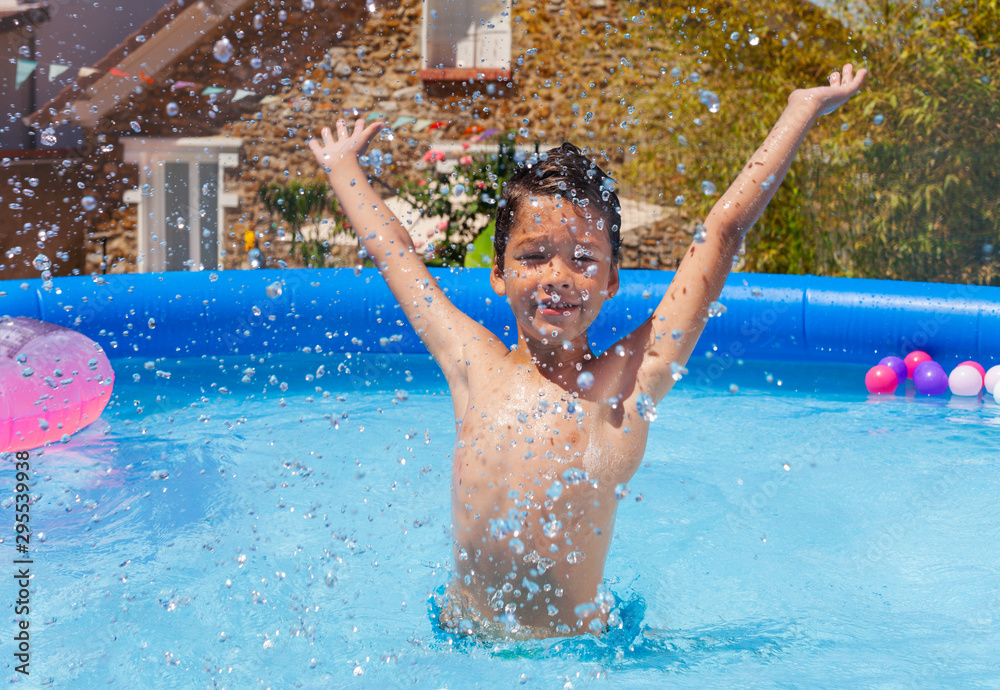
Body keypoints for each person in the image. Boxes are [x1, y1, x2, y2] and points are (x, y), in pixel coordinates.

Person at [308, 64, 867, 640]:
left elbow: (722, 231)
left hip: (573, 660)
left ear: (611, 280)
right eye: (533, 255)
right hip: (459, 641)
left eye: (583, 258)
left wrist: (801, 110)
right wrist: (343, 166)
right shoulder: (474, 366)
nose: (558, 276)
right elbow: (395, 255)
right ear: (497, 274)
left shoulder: (624, 386)